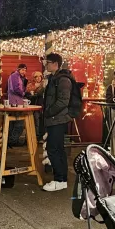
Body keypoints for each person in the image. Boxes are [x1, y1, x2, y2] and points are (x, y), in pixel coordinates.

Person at [42, 53, 74, 192]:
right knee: (58, 149)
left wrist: (49, 112)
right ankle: (61, 179)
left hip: (58, 119)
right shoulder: (54, 78)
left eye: (48, 62)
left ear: (55, 63)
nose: (46, 65)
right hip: (56, 118)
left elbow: (63, 101)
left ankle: (60, 179)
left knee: (53, 149)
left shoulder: (62, 80)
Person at [7, 63, 28, 147]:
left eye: (25, 70)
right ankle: (13, 140)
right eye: (22, 69)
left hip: (15, 101)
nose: (24, 71)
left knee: (13, 121)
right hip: (15, 102)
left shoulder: (19, 77)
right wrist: (24, 93)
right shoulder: (15, 76)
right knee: (19, 122)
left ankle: (10, 140)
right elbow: (16, 88)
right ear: (18, 69)